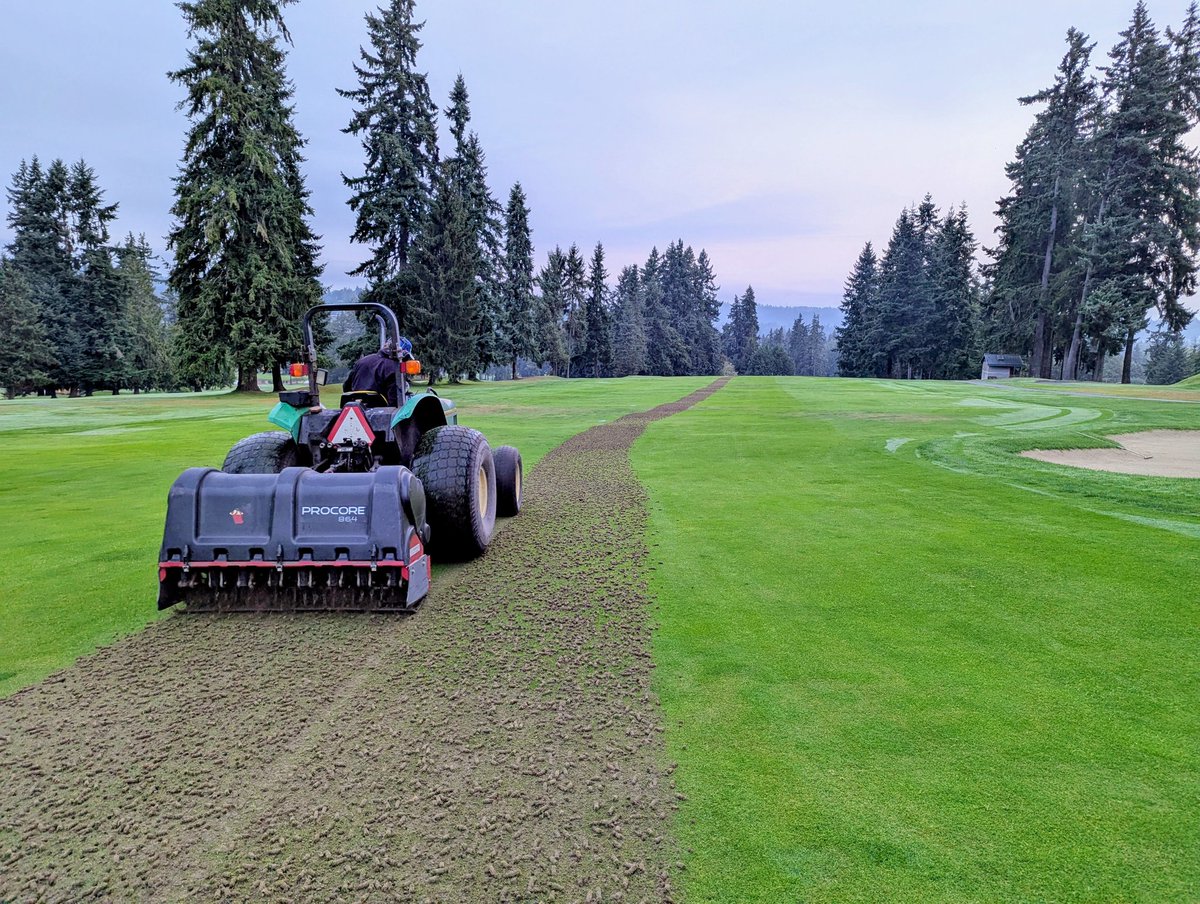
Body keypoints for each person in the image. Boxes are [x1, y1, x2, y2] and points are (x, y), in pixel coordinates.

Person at [345, 337, 413, 407]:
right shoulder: (395, 368)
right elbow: (395, 402)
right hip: (381, 410)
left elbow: (346, 387)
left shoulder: (361, 362)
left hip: (356, 408)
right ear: (402, 354)